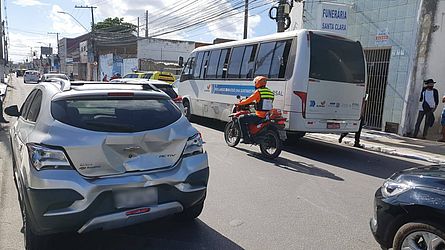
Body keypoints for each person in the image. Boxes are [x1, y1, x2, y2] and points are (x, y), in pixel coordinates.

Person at [237, 76, 275, 143]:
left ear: (257, 83)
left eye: (255, 82)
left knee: (241, 118)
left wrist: (240, 103)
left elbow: (248, 100)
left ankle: (246, 138)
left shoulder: (258, 92)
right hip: (267, 115)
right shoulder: (270, 92)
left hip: (259, 116)